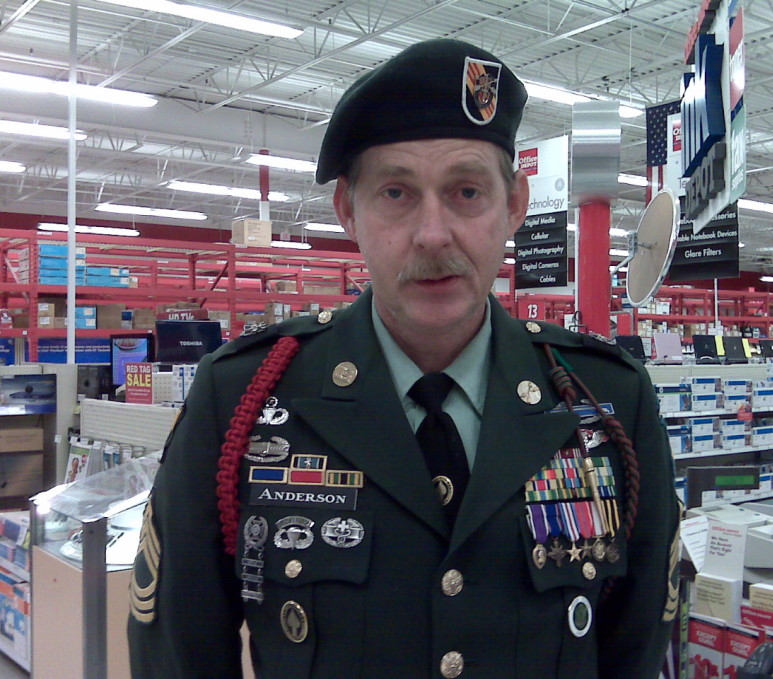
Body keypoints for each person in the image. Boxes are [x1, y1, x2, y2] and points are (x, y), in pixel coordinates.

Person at [128, 38, 681, 679]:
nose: (432, 234)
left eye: (466, 191)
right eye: (396, 193)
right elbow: (179, 652)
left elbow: (637, 646)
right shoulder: (242, 399)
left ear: (515, 205)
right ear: (348, 210)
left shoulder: (607, 401)